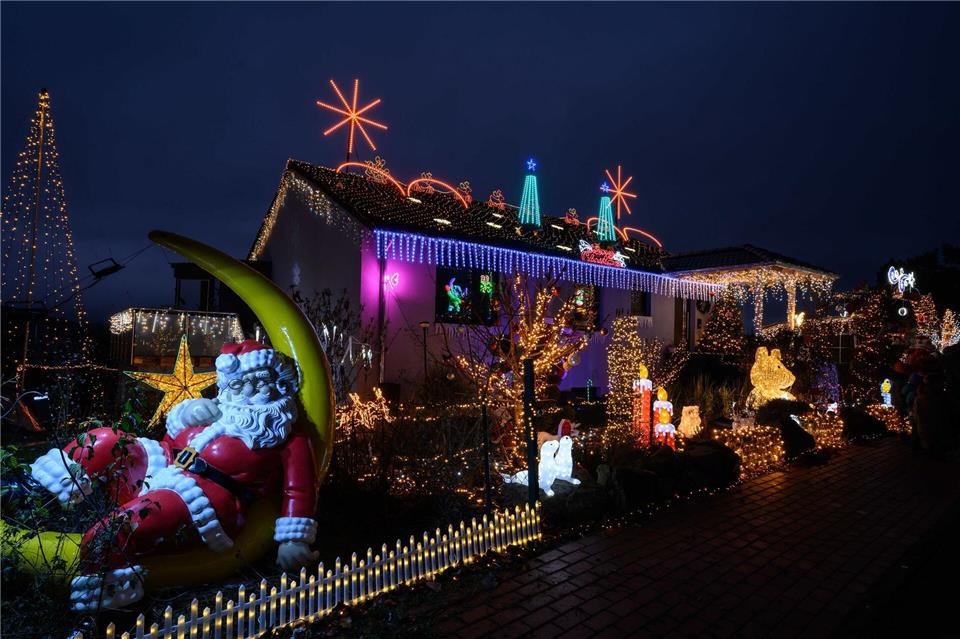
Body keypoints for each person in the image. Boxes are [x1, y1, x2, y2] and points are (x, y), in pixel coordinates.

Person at [28, 340, 319, 610]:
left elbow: (299, 490)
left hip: (199, 499)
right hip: (162, 466)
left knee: (110, 534)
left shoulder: (287, 438)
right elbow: (171, 440)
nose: (253, 391)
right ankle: (34, 497)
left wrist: (294, 540)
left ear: (280, 385)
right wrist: (187, 415)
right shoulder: (217, 412)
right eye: (242, 383)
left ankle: (107, 595)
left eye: (262, 382)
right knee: (106, 440)